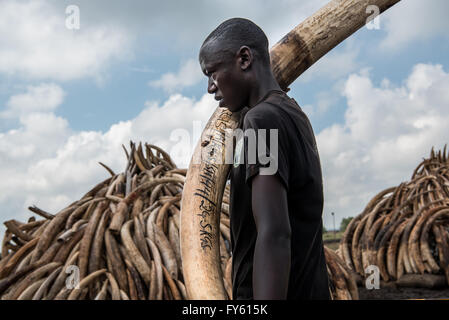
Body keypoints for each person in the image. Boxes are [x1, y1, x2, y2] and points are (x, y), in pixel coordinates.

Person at [198, 17, 330, 300]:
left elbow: (274, 232)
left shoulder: (262, 121)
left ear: (244, 58)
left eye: (212, 73)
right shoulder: (292, 114)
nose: (210, 87)